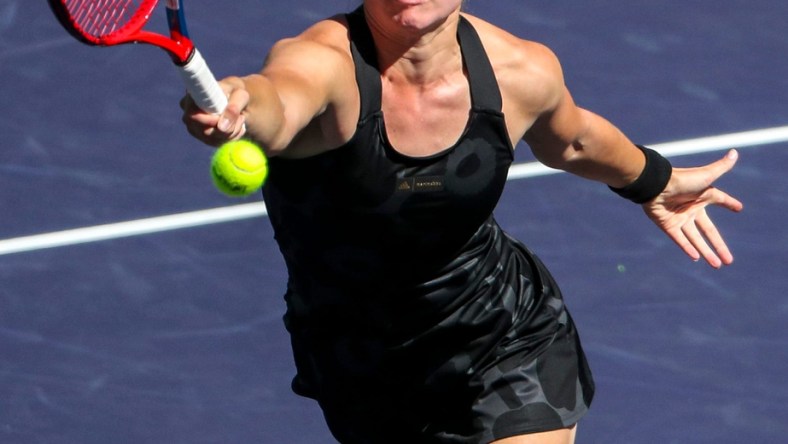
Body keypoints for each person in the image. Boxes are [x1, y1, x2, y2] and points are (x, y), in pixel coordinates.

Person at [181, 1, 743, 442]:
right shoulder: (325, 62)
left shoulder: (518, 70)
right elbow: (277, 102)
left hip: (501, 332)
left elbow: (571, 140)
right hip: (360, 361)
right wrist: (241, 105)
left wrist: (655, 180)